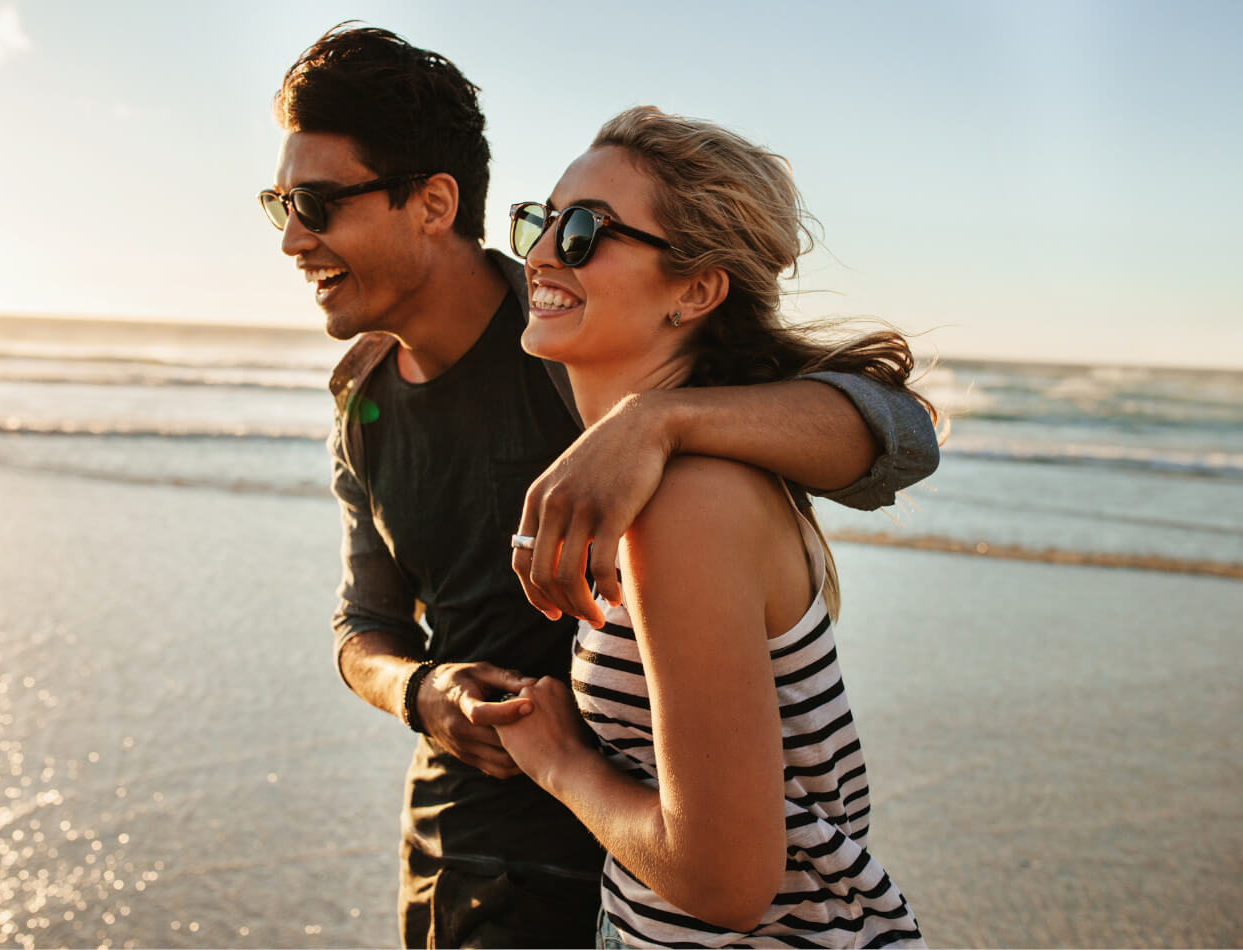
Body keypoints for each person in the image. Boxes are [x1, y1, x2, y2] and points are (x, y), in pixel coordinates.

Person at [260, 24, 939, 949]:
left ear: (431, 203)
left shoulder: (581, 347)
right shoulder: (362, 400)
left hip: (617, 868)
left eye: (317, 202)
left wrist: (657, 423)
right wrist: (424, 691)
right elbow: (362, 623)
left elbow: (900, 437)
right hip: (472, 848)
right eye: (281, 204)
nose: (293, 237)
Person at [495, 107, 929, 948]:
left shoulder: (684, 502)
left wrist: (559, 762)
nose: (543, 253)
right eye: (540, 221)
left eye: (583, 230)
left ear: (694, 290)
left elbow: (725, 883)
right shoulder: (675, 472)